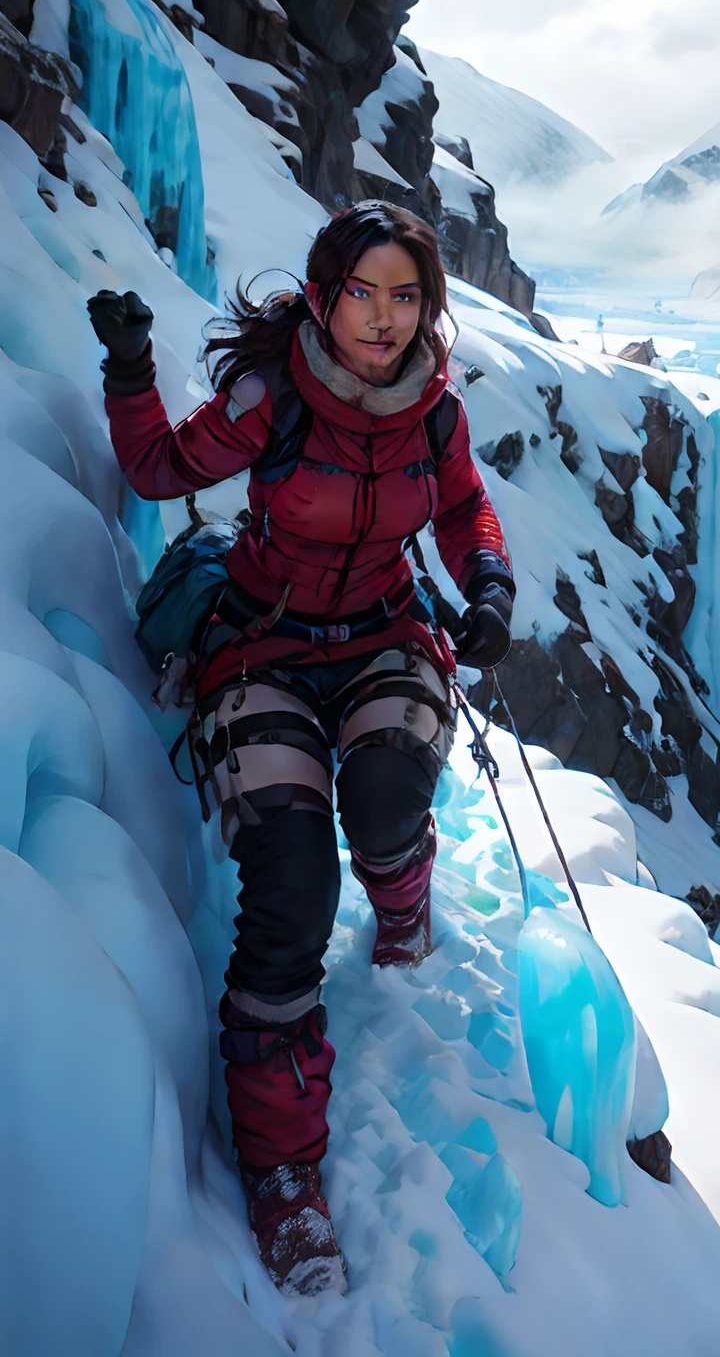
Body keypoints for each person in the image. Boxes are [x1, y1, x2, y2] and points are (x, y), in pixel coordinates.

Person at [89, 202, 515, 1297]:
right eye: (363, 292)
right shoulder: (273, 395)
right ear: (324, 297)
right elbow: (161, 468)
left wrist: (490, 583)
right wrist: (131, 370)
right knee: (290, 880)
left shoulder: (431, 408)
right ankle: (285, 1176)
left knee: (381, 798)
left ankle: (404, 889)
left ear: (430, 307)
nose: (384, 318)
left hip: (381, 634)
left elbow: (464, 507)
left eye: (406, 295)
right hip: (265, 643)